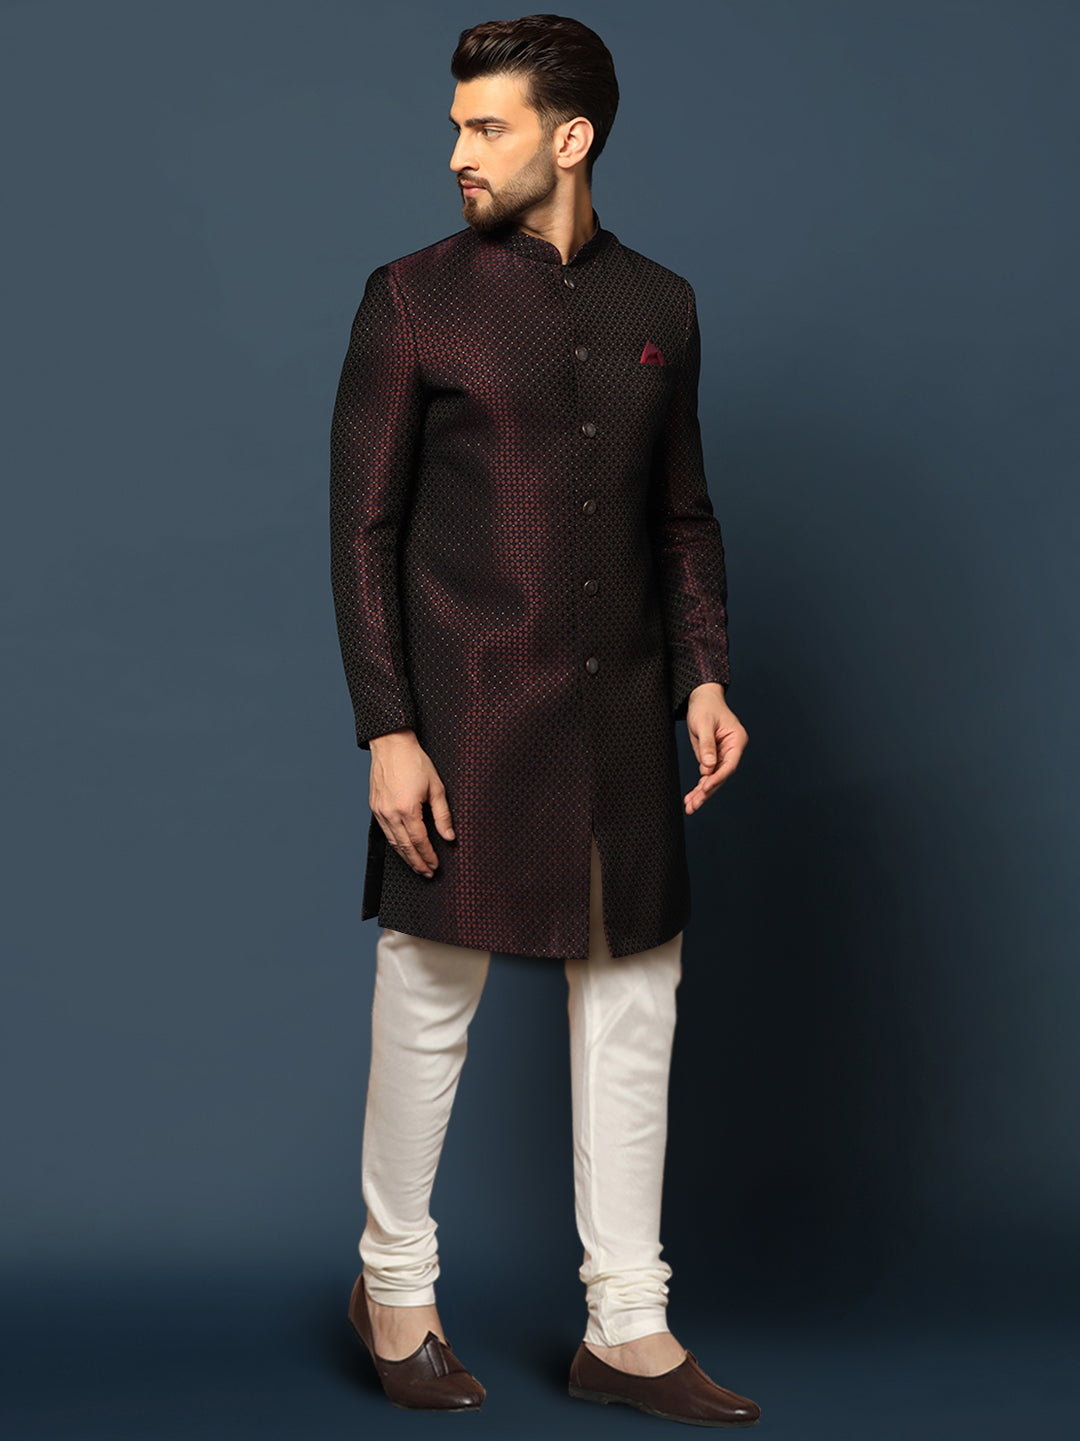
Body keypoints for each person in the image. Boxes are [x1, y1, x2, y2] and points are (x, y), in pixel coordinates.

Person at [329, 12, 759, 1427]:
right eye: (457, 124)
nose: (457, 150)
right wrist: (388, 728)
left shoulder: (662, 305)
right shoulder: (412, 299)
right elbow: (363, 530)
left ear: (570, 140)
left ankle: (627, 1325)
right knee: (428, 996)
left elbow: (682, 516)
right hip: (462, 714)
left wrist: (705, 673)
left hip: (624, 711)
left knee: (636, 1001)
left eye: (487, 126)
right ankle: (394, 1286)